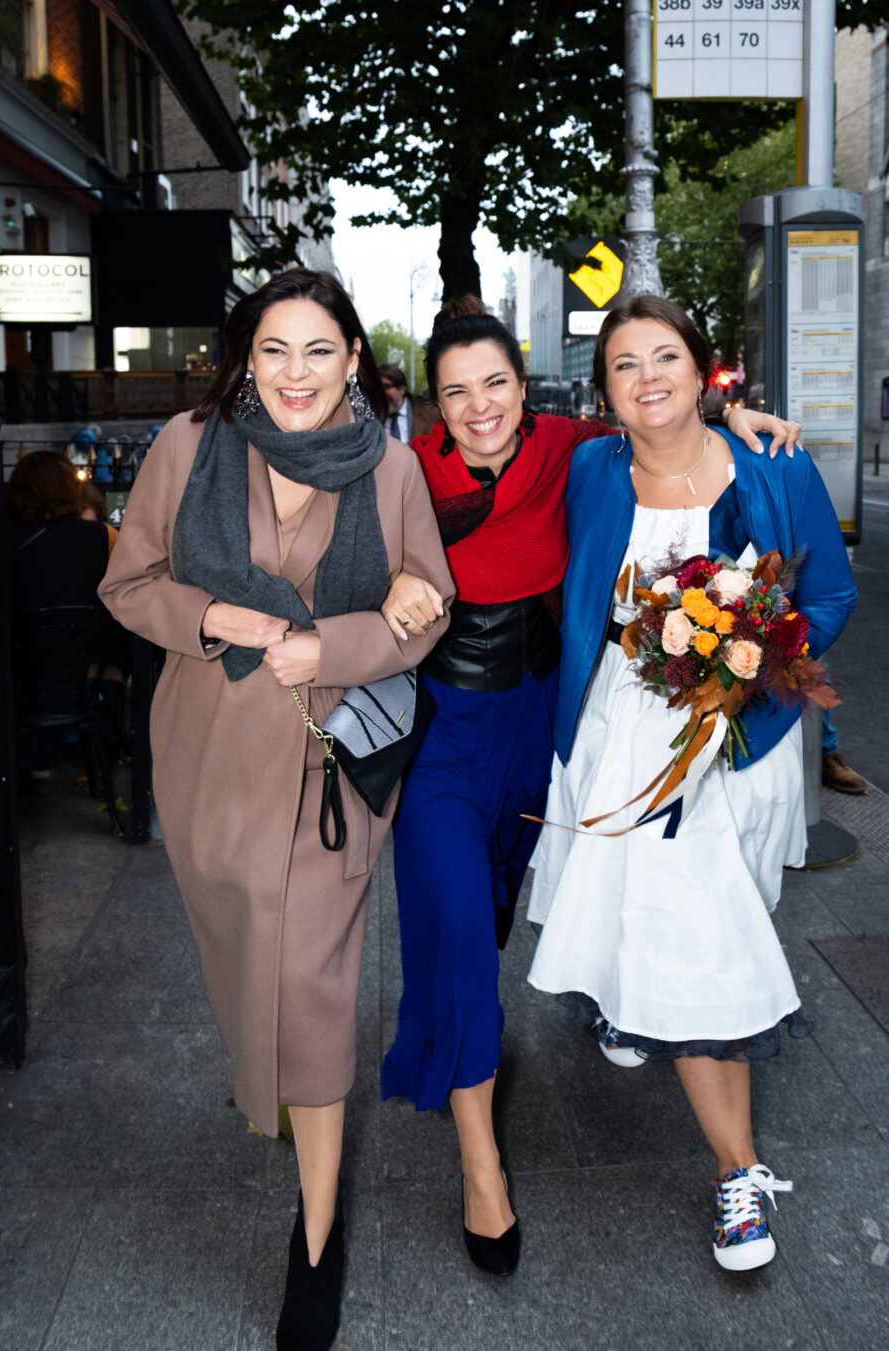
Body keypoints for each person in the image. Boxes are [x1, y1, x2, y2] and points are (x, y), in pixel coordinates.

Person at [378, 296, 803, 1277]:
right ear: (432, 406)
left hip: (546, 732)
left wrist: (734, 413)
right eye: (456, 391)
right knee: (452, 936)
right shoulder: (403, 478)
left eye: (495, 383)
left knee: (510, 917)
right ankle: (483, 1170)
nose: (480, 406)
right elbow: (330, 546)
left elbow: (658, 420)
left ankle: (611, 1005)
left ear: (525, 387)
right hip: (444, 733)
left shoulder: (571, 450)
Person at [98, 267, 453, 1351]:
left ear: (355, 358)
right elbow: (128, 585)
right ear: (245, 359)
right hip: (209, 765)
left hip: (331, 770)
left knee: (310, 987)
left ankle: (319, 1229)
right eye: (273, 350)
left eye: (319, 350)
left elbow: (425, 610)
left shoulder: (390, 471)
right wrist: (228, 619)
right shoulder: (184, 447)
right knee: (255, 960)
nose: (296, 374)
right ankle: (291, 1124)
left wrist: (329, 641)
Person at [527, 294, 856, 1271]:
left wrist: (757, 661)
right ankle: (738, 1175)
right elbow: (494, 426)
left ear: (703, 367)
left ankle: (633, 1002)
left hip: (742, 739)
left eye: (664, 357)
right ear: (605, 395)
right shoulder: (591, 466)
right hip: (620, 734)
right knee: (703, 939)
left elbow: (828, 596)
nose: (646, 379)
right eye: (623, 367)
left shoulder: (772, 468)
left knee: (724, 910)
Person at [6, 450, 110, 795]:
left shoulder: (0, 542)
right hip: (84, 678)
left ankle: (31, 768)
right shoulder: (102, 537)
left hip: (13, 684)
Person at [378, 362, 439, 443]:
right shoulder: (371, 418)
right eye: (379, 388)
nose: (382, 393)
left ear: (402, 389)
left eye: (387, 387)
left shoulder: (430, 414)